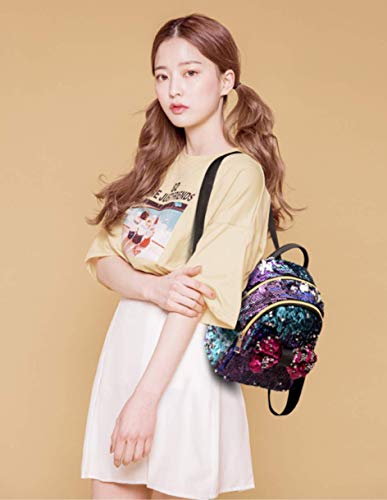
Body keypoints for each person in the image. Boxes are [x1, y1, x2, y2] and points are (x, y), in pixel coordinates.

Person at [80, 12, 300, 500]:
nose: (173, 89)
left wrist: (145, 398)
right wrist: (154, 287)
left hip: (182, 363)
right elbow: (104, 260)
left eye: (190, 72)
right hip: (126, 351)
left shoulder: (240, 174)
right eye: (162, 76)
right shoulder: (157, 166)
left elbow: (199, 295)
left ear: (226, 81)